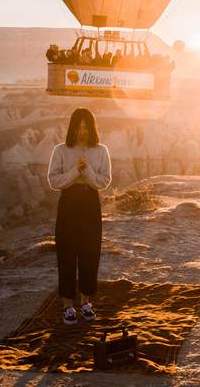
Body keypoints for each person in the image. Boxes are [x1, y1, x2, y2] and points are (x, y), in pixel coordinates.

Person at [48, 108, 111, 325]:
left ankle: (85, 303)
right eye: (78, 128)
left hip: (90, 206)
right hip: (68, 205)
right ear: (72, 129)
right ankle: (67, 306)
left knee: (90, 252)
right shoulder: (61, 150)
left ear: (92, 129)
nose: (82, 132)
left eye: (86, 128)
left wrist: (88, 171)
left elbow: (104, 182)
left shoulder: (101, 150)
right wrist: (76, 170)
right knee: (66, 252)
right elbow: (54, 181)